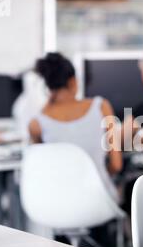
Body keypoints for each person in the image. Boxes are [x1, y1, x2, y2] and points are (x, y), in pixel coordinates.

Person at [28, 52, 122, 203]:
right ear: (73, 81)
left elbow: (42, 168)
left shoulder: (37, 123)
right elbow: (116, 165)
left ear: (48, 86)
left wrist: (49, 99)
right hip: (99, 201)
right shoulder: (101, 107)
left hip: (60, 203)